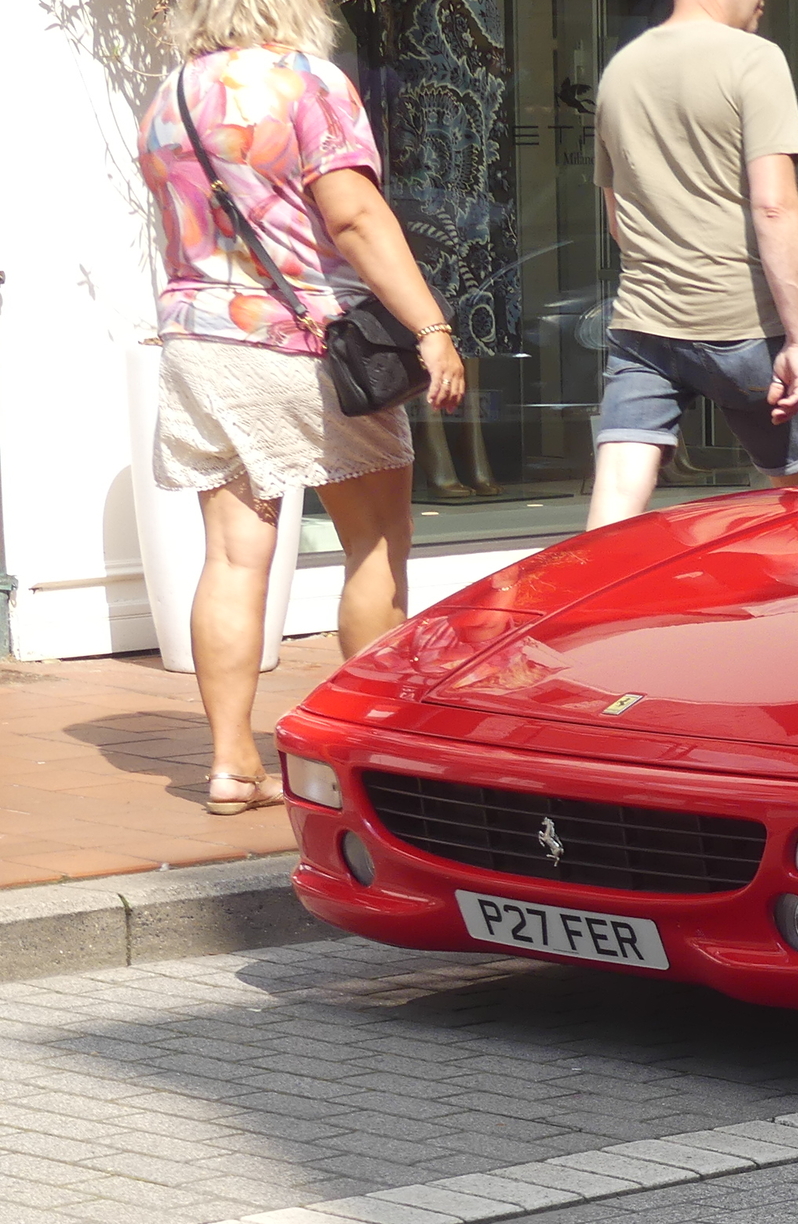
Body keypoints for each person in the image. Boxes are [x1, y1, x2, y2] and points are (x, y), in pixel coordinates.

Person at [139, 0, 466, 815]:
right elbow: (352, 215)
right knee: (375, 543)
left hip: (200, 343)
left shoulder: (169, 96)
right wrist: (430, 327)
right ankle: (372, 750)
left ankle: (227, 764)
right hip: (303, 343)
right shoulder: (305, 81)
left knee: (233, 557)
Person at [584, 0, 798, 531]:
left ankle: (578, 611)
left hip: (643, 324)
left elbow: (617, 218)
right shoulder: (754, 59)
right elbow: (774, 205)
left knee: (613, 507)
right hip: (744, 326)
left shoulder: (621, 69)